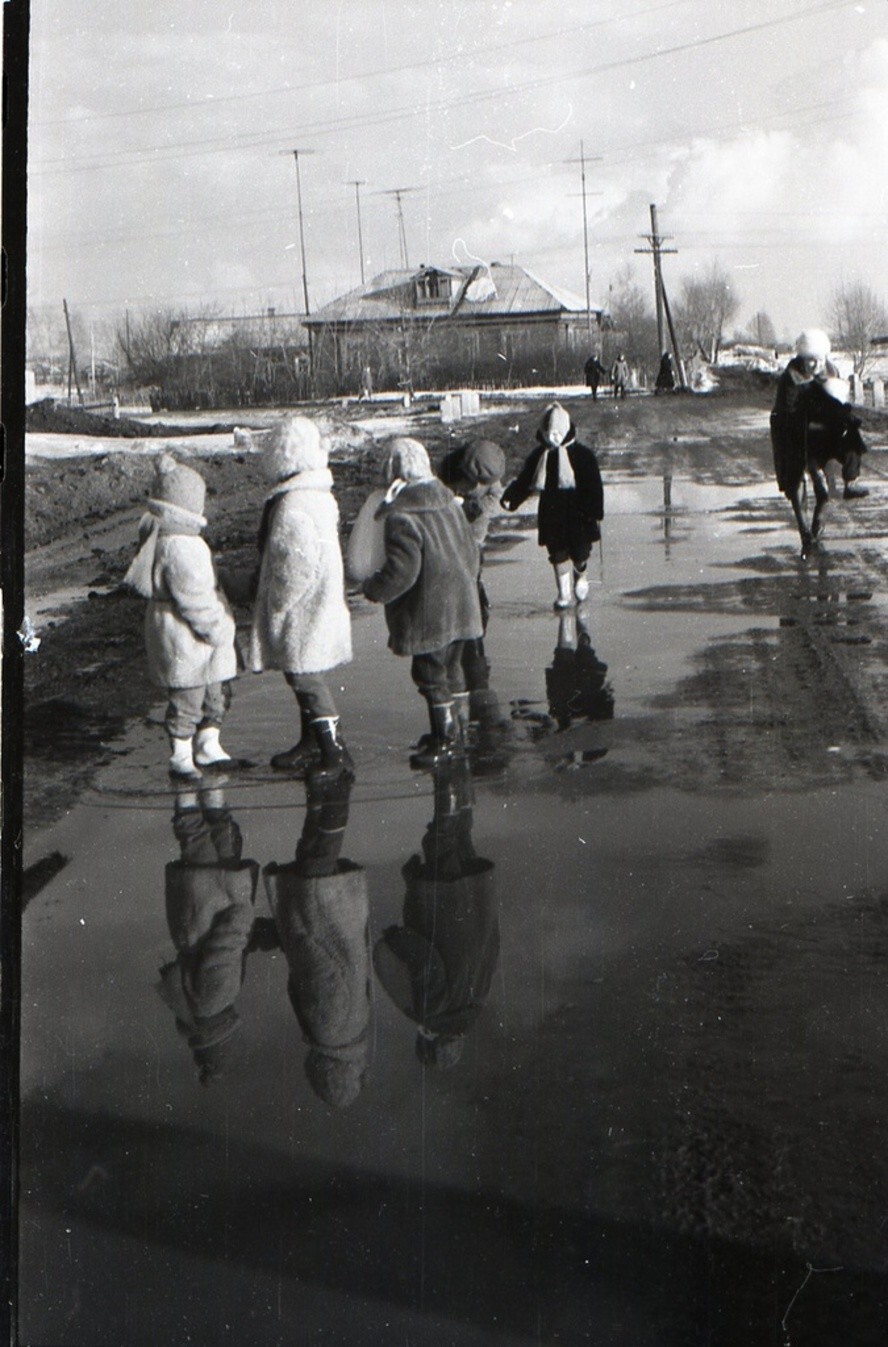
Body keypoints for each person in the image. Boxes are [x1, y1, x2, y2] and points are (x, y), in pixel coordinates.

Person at [362, 436, 483, 769]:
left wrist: (375, 589)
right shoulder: (449, 503)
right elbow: (472, 552)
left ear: (394, 470)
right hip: (463, 605)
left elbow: (403, 569)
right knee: (453, 668)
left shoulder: (402, 515)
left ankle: (446, 741)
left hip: (430, 611)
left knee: (429, 673)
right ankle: (459, 730)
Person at [373, 757, 498, 1070]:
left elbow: (493, 948)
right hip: (444, 906)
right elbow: (425, 961)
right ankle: (446, 768)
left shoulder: (476, 1003)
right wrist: (396, 938)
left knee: (461, 836)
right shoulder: (434, 1012)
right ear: (428, 1040)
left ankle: (461, 770)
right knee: (440, 839)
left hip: (474, 898)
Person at [249, 415, 354, 778]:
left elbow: (295, 565)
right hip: (319, 600)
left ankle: (334, 753)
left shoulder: (293, 504)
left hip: (303, 606)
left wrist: (277, 604)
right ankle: (312, 742)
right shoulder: (317, 494)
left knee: (306, 677)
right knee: (303, 672)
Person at [124, 454, 238, 779]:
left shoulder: (162, 538)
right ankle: (182, 756)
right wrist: (219, 629)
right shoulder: (183, 546)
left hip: (174, 629)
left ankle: (206, 745)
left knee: (210, 689)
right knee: (190, 695)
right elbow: (196, 599)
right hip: (187, 634)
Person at [264, 772, 370, 1108]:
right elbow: (316, 966)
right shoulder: (328, 1030)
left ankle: (321, 782)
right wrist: (292, 932)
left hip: (340, 921)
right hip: (320, 919)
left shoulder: (352, 1033)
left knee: (312, 848)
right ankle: (338, 781)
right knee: (317, 853)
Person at [156, 784, 259, 1085]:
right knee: (213, 840)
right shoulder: (194, 1007)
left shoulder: (218, 998)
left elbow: (226, 945)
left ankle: (187, 779)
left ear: (224, 1038)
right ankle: (201, 788)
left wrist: (244, 911)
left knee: (199, 839)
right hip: (193, 911)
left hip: (211, 903)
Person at [770, 328, 869, 550]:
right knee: (795, 476)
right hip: (794, 430)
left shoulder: (830, 371)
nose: (815, 366)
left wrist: (844, 415)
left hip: (822, 430)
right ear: (801, 359)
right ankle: (804, 529)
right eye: (810, 361)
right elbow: (788, 412)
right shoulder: (790, 378)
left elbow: (838, 401)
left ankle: (849, 482)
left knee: (852, 436)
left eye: (819, 360)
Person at [500, 402, 604, 610]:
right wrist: (512, 497)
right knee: (557, 552)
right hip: (552, 510)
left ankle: (581, 574)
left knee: (580, 552)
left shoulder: (582, 455)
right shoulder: (539, 456)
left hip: (579, 511)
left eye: (558, 432)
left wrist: (595, 510)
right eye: (550, 432)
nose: (554, 437)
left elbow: (594, 484)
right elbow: (525, 480)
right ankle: (563, 593)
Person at [437, 437, 505, 730]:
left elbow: (495, 501)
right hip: (451, 525)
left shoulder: (492, 480)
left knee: (473, 571)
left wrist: (478, 511)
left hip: (475, 531)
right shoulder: (449, 468)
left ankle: (476, 615)